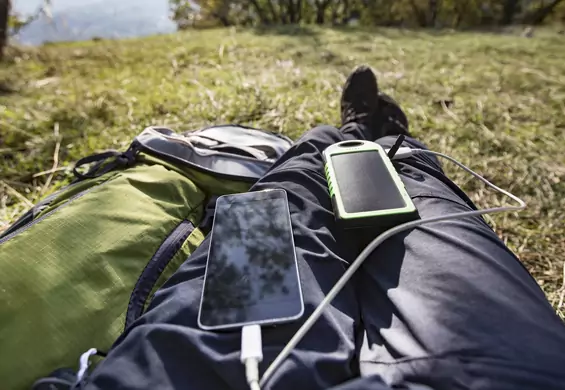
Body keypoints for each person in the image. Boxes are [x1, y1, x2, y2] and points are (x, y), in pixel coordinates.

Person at [79, 67, 565, 389]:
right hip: (488, 371)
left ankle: (348, 133)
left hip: (192, 365)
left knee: (291, 186)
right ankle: (393, 140)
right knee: (421, 193)